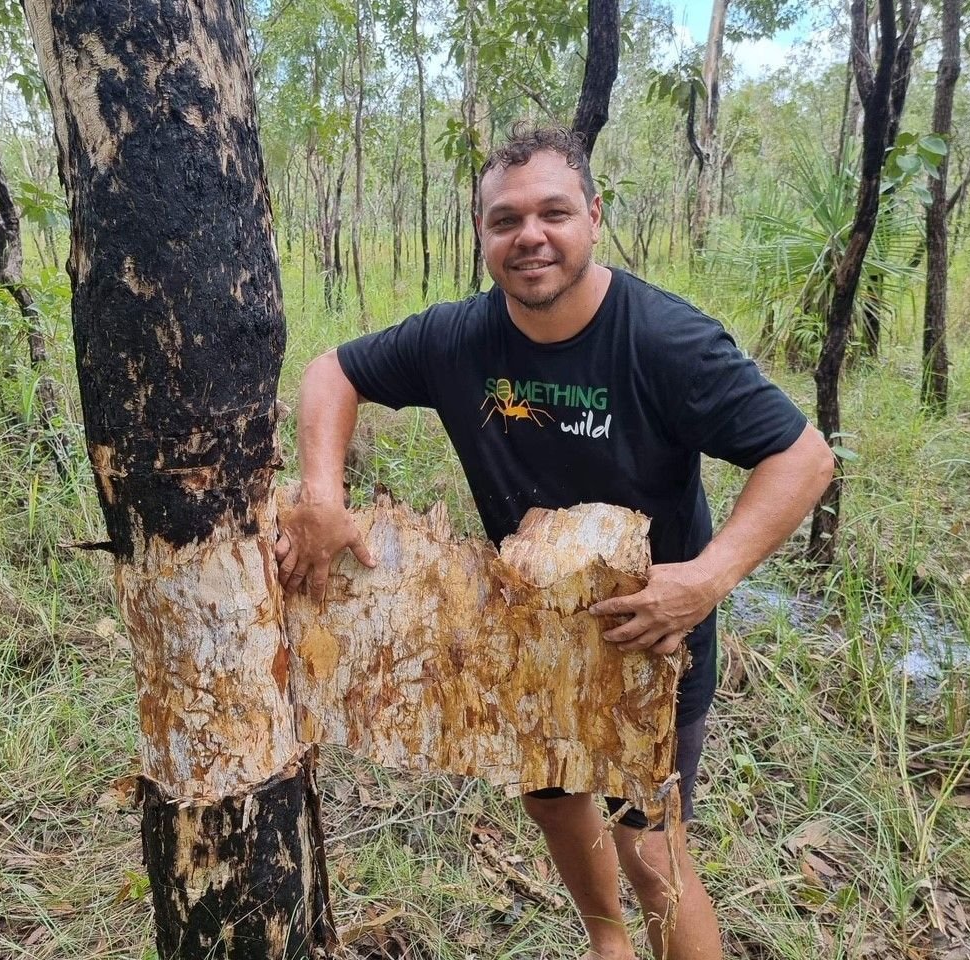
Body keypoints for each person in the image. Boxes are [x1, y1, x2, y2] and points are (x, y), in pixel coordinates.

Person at [275, 125, 834, 960]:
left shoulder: (663, 341)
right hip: (529, 630)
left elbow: (803, 455)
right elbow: (333, 372)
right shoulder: (456, 340)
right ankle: (606, 945)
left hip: (649, 635)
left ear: (595, 217)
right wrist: (322, 494)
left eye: (553, 213)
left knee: (651, 847)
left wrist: (707, 578)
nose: (529, 236)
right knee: (551, 802)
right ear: (482, 236)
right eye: (505, 221)